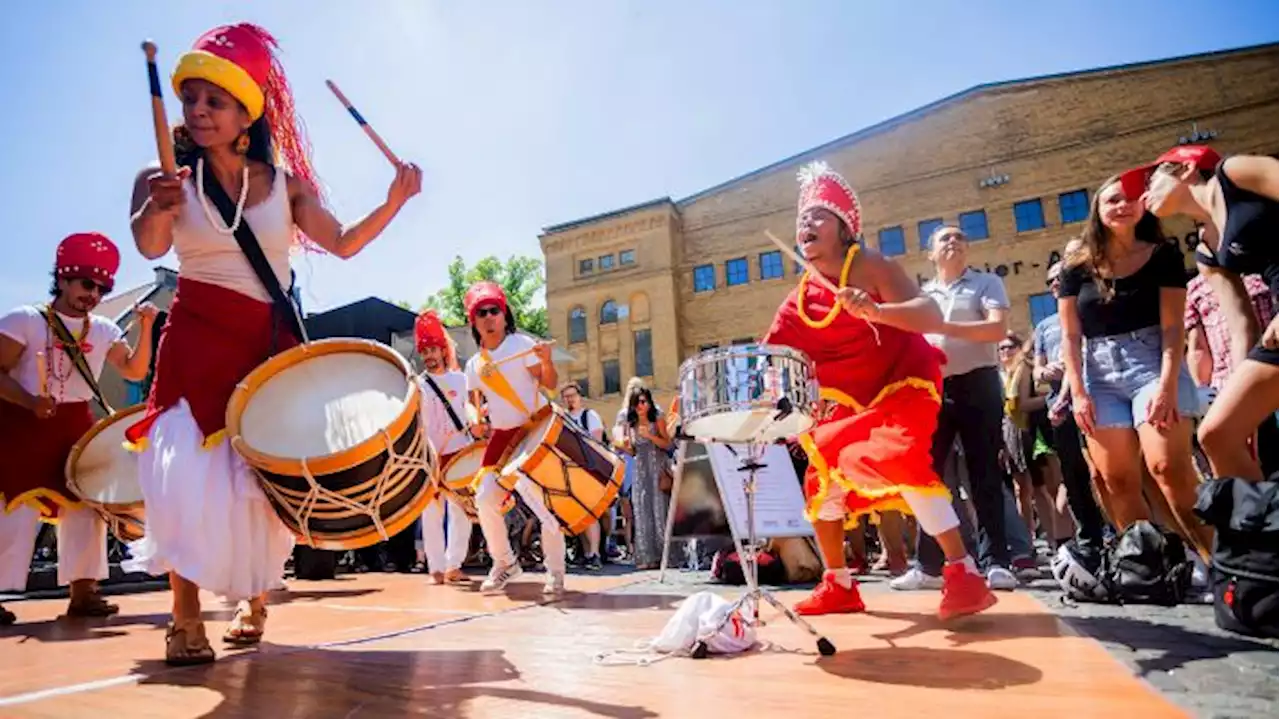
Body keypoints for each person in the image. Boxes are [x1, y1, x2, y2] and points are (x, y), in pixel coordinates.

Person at [125, 23, 422, 665]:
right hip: (197, 334)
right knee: (186, 477)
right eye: (191, 99)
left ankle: (254, 598)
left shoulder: (283, 184)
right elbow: (150, 246)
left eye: (216, 102)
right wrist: (157, 206)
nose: (199, 112)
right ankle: (183, 614)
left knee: (256, 485)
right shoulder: (163, 175)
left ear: (244, 115)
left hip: (266, 340)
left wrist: (395, 200)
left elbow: (341, 242)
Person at [761, 161, 996, 620]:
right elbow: (772, 354)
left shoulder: (870, 265)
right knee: (821, 474)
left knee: (897, 457)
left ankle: (964, 573)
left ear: (845, 229)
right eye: (802, 219)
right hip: (849, 404)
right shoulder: (800, 298)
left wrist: (876, 311)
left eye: (818, 217)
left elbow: (929, 314)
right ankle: (839, 585)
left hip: (902, 383)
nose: (805, 225)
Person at [0, 233, 158, 626]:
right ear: (64, 280)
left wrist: (147, 326)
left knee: (88, 509)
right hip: (21, 427)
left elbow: (135, 371)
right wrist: (29, 401)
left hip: (75, 429)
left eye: (102, 288)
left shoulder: (103, 329)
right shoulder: (23, 320)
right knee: (10, 512)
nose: (94, 294)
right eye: (87, 283)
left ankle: (84, 592)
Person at [1058, 173, 1211, 559]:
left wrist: (1167, 385)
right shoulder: (1076, 266)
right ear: (1098, 210)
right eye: (1112, 200)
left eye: (1129, 198)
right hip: (1098, 372)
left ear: (1144, 204)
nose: (1121, 206)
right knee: (1116, 479)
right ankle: (1150, 567)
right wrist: (1077, 392)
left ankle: (1219, 562)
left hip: (1153, 361)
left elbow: (1174, 326)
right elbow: (1070, 336)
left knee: (1168, 469)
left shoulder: (1163, 255)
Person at [1125, 145, 1280, 484]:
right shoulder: (1207, 250)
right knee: (1218, 432)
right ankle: (1261, 530)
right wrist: (1241, 395)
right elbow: (1241, 324)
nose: (1145, 195)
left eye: (1152, 181)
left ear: (1186, 168)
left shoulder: (1235, 174)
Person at [907, 226, 1017, 591]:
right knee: (929, 476)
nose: (953, 242)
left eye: (960, 237)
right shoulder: (922, 295)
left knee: (984, 473)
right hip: (934, 391)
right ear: (930, 254)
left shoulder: (987, 283)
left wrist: (941, 326)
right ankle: (928, 565)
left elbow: (996, 329)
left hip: (979, 384)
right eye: (944, 239)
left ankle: (996, 561)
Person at [462, 281, 563, 595]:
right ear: (473, 321)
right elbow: (471, 399)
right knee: (484, 499)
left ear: (504, 315)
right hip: (503, 437)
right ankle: (505, 562)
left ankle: (556, 572)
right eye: (482, 312)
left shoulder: (521, 344)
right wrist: (474, 418)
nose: (489, 317)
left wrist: (546, 361)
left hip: (534, 429)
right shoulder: (475, 364)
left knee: (545, 505)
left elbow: (550, 385)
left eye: (494, 310)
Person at [1032, 260, 1109, 570]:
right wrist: (1044, 370)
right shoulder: (1044, 326)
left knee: (1103, 470)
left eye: (1061, 277)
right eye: (1051, 280)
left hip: (1096, 397)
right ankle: (1089, 537)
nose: (1056, 283)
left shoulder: (1093, 309)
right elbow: (1036, 370)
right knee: (1073, 475)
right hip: (1058, 406)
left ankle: (1121, 531)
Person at [415, 310, 479, 585]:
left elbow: (470, 407)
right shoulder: (417, 385)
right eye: (425, 351)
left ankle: (454, 564)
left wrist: (476, 420)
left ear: (443, 351)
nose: (429, 355)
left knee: (461, 511)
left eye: (433, 349)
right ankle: (436, 568)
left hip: (459, 451)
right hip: (430, 455)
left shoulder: (460, 379)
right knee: (430, 513)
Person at [614, 385, 674, 570]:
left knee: (659, 510)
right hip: (640, 469)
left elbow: (667, 444)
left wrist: (650, 435)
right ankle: (647, 557)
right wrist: (623, 445)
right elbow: (633, 451)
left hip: (657, 466)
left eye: (643, 401)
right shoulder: (630, 422)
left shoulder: (657, 417)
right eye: (636, 403)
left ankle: (665, 557)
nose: (640, 406)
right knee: (642, 510)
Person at [560, 381, 607, 570]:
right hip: (570, 470)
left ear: (580, 397)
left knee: (590, 512)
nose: (570, 399)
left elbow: (596, 442)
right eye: (566, 397)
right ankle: (586, 553)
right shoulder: (563, 419)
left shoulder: (590, 416)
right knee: (578, 513)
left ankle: (595, 553)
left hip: (588, 469)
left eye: (573, 395)